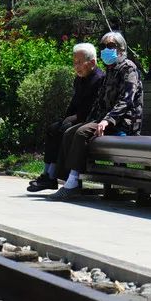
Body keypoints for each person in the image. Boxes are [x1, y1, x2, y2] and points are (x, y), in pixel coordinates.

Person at [50, 31, 143, 201]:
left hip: (123, 122)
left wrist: (108, 120)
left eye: (110, 46)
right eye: (103, 46)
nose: (105, 50)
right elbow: (100, 101)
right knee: (70, 131)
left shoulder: (128, 68)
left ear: (121, 48)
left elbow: (126, 100)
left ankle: (72, 184)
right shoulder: (110, 70)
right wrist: (91, 120)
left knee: (81, 133)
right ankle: (69, 180)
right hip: (104, 121)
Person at [27, 43, 104, 192]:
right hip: (78, 117)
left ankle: (56, 176)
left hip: (90, 120)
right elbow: (74, 103)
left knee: (66, 130)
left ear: (92, 62)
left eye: (80, 63)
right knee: (53, 129)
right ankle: (47, 174)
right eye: (74, 63)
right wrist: (66, 118)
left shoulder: (99, 79)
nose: (76, 66)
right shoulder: (80, 79)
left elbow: (92, 108)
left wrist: (72, 119)